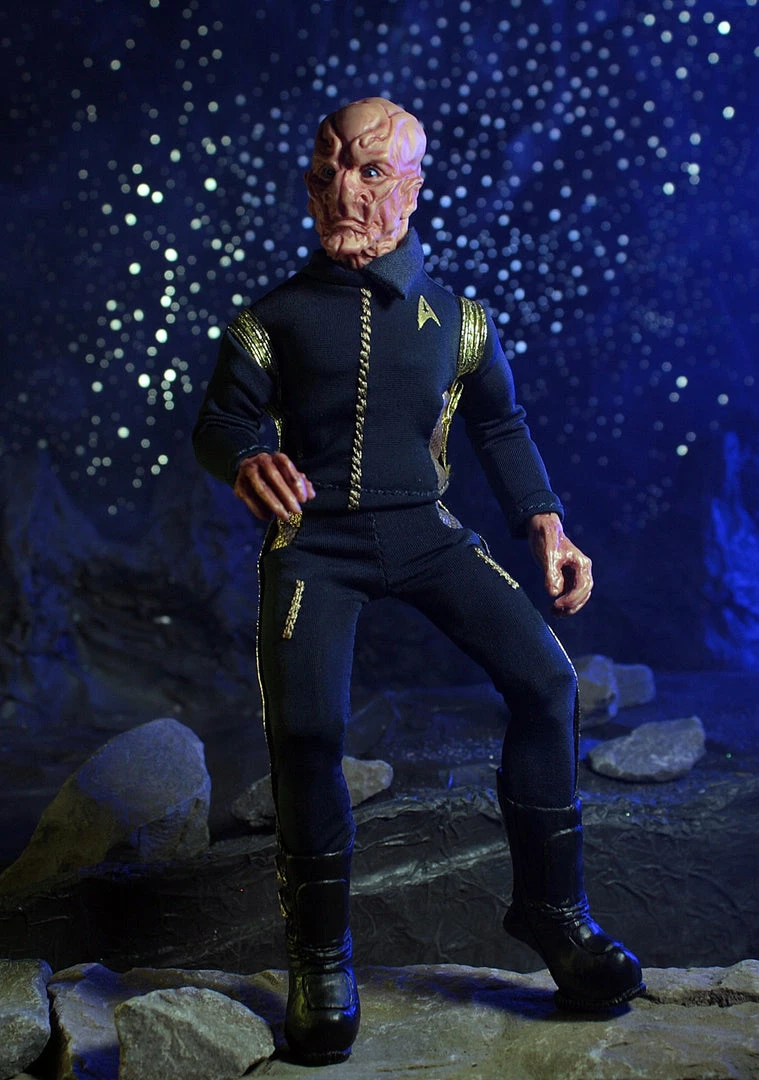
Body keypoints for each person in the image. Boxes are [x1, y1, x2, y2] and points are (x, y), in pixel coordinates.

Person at [193, 97, 644, 1065]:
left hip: (426, 535)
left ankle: (554, 912)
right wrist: (244, 457)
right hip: (313, 547)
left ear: (412, 187)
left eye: (366, 171)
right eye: (325, 171)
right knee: (306, 733)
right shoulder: (271, 318)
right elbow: (220, 419)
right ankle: (320, 958)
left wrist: (546, 522)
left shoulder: (460, 321)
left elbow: (499, 423)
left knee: (548, 682)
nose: (340, 191)